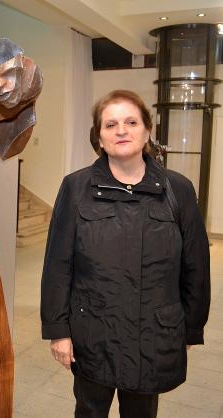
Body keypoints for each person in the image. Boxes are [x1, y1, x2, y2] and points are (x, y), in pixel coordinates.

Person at [40, 89, 210, 418]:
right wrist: (58, 330)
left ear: (147, 131)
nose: (121, 130)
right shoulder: (76, 187)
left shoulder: (178, 189)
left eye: (131, 122)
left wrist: (192, 326)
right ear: (99, 137)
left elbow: (196, 265)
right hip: (93, 335)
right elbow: (58, 266)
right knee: (90, 411)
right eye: (111, 124)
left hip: (154, 336)